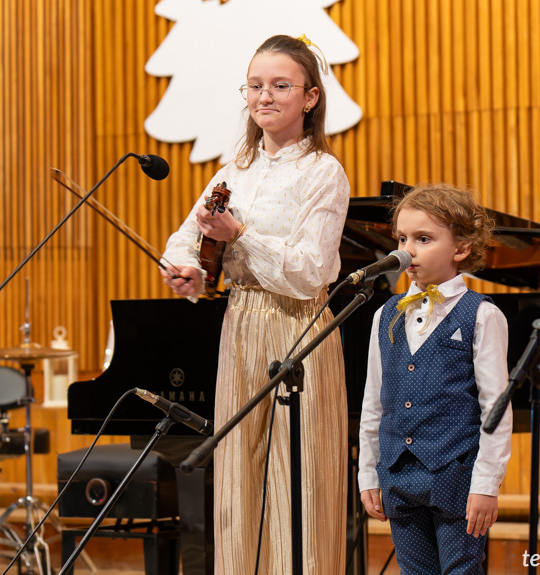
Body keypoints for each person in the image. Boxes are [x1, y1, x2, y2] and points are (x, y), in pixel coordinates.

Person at [161, 34, 349, 574]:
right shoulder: (231, 171)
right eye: (256, 86)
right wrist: (189, 271)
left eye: (280, 86)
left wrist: (241, 234)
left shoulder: (322, 172)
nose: (264, 96)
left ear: (310, 97)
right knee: (238, 473)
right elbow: (185, 240)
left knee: (302, 477)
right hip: (241, 322)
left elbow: (310, 270)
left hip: (300, 328)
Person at [357, 183, 513, 574]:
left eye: (423, 239)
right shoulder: (385, 315)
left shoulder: (481, 315)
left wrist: (486, 485)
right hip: (398, 475)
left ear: (460, 248)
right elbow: (374, 404)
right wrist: (368, 473)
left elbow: (496, 409)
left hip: (456, 477)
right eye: (403, 238)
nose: (407, 250)